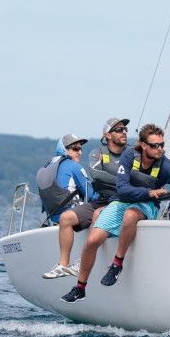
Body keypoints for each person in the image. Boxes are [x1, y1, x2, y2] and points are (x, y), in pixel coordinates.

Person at [59, 123, 170, 303]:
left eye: (161, 145)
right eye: (155, 145)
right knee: (91, 241)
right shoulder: (129, 156)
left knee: (130, 215)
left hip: (147, 206)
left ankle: (117, 264)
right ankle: (80, 288)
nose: (159, 149)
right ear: (144, 145)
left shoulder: (166, 165)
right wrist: (149, 192)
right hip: (122, 201)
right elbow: (122, 189)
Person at [42, 118, 131, 279]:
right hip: (102, 200)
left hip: (120, 200)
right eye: (74, 148)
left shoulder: (49, 166)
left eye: (80, 148)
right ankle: (63, 265)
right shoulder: (89, 158)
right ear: (107, 135)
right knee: (67, 217)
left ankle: (82, 262)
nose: (79, 152)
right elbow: (91, 189)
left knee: (96, 213)